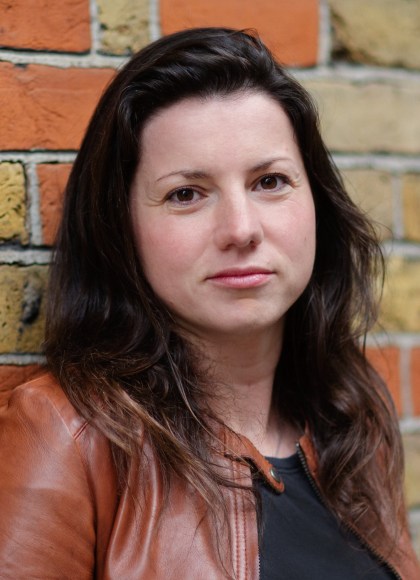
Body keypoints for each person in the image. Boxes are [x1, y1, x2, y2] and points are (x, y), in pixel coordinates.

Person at [0, 27, 418, 579]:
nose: (241, 229)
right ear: (121, 228)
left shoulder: (349, 416)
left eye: (270, 181)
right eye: (186, 194)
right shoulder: (66, 437)